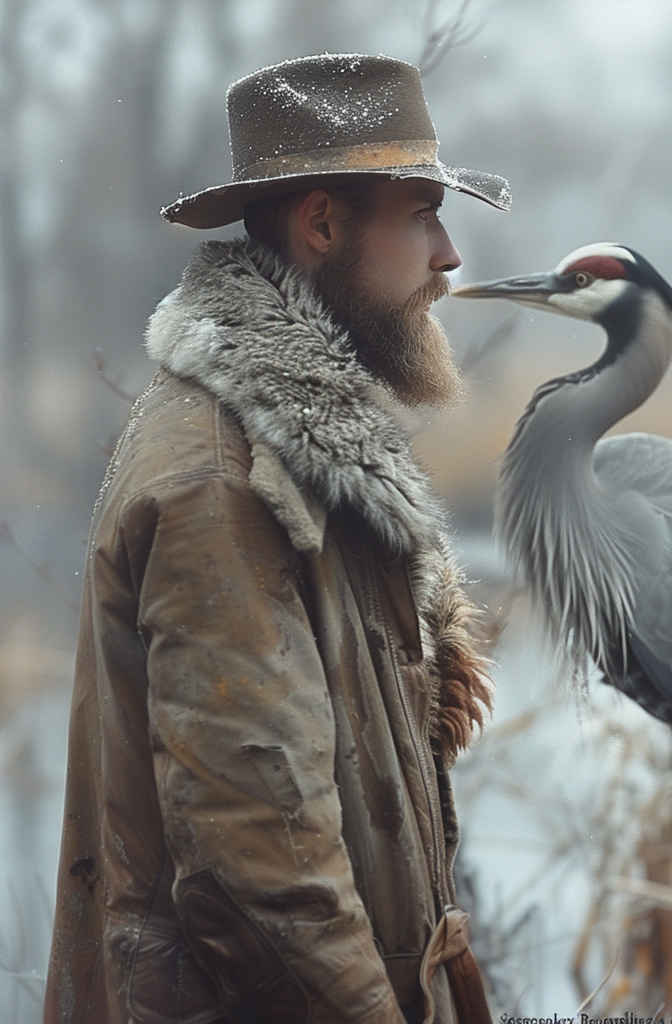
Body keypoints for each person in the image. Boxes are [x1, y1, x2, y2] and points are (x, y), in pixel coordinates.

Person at [44, 54, 509, 1024]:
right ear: (324, 223)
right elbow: (265, 874)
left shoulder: (292, 453)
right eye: (421, 212)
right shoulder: (223, 480)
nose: (450, 254)